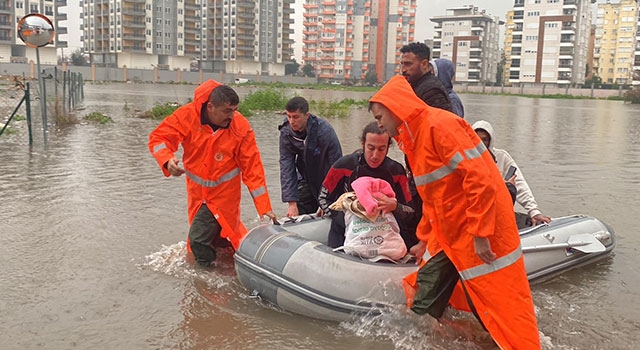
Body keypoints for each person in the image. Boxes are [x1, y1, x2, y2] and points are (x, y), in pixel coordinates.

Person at [369, 76, 540, 349]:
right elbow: (433, 197)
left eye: (380, 116)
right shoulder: (412, 141)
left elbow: (481, 179)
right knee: (426, 297)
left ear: (395, 108)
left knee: (494, 303)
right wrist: (424, 238)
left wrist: (481, 234)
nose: (379, 123)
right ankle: (461, 336)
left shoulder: (440, 126)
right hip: (452, 233)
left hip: (479, 229)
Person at [148, 80, 276, 267]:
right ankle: (216, 279)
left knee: (200, 239)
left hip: (225, 196)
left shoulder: (240, 126)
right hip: (197, 195)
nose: (232, 116)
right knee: (217, 240)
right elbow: (160, 138)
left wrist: (264, 206)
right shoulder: (187, 116)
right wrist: (167, 161)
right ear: (210, 107)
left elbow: (252, 167)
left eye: (234, 110)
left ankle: (206, 276)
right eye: (227, 111)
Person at [318, 122, 416, 249]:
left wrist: (395, 207)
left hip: (385, 234)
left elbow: (411, 212)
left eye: (381, 149)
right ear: (363, 144)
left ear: (388, 148)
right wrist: (346, 217)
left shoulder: (396, 171)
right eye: (371, 148)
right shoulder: (343, 165)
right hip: (346, 232)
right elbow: (323, 198)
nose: (375, 155)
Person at [472, 120, 552, 228]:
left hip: (499, 213)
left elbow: (519, 183)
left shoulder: (502, 157)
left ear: (490, 141)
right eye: (477, 139)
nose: (480, 144)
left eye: (485, 140)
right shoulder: (462, 159)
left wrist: (534, 211)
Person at [279, 97, 342, 217]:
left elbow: (337, 165)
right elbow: (286, 166)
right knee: (300, 204)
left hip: (324, 175)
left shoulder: (324, 131)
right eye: (289, 116)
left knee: (329, 212)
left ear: (306, 115)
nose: (292, 121)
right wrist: (292, 204)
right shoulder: (286, 132)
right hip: (304, 176)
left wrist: (328, 198)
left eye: (296, 117)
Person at [400, 42, 452, 113]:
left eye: (408, 64)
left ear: (424, 64)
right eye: (402, 64)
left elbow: (444, 121)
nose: (403, 70)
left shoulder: (431, 91)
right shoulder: (415, 85)